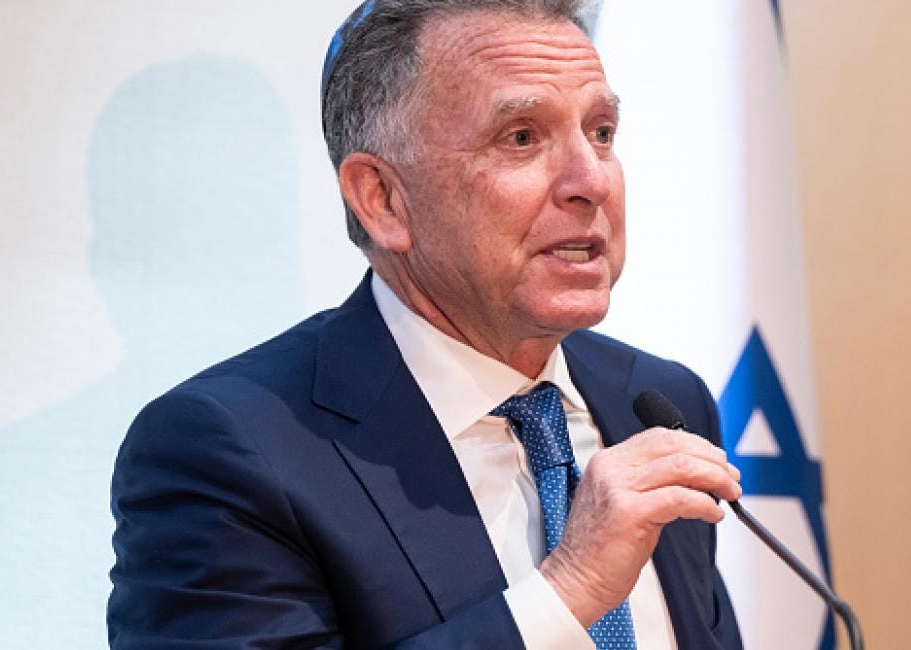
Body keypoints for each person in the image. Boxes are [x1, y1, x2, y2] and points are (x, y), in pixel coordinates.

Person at [107, 1, 744, 648]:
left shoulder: (660, 403)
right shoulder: (229, 451)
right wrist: (570, 589)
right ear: (382, 199)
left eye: (601, 132)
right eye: (521, 137)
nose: (591, 181)